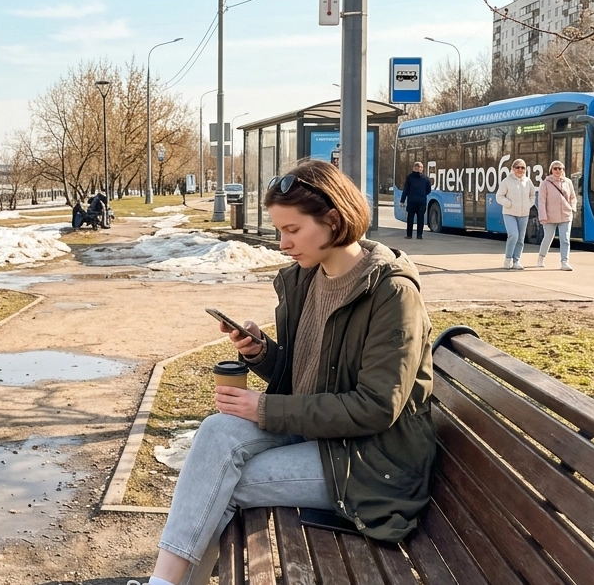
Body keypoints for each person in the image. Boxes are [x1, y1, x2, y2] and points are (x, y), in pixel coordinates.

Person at [131, 159, 435, 585]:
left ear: (333, 220)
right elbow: (307, 371)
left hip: (368, 460)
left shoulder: (391, 293)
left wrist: (265, 409)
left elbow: (376, 407)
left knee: (224, 484)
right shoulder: (304, 279)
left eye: (292, 230)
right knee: (216, 433)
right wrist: (262, 354)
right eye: (279, 231)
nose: (282, 243)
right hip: (318, 435)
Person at [495, 159, 535, 271]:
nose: (520, 169)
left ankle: (516, 260)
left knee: (521, 238)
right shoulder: (506, 181)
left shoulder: (528, 181)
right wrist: (508, 204)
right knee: (513, 235)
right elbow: (499, 196)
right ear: (513, 169)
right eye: (517, 167)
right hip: (509, 213)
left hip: (524, 214)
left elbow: (532, 195)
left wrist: (529, 205)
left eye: (522, 167)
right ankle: (508, 259)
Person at [537, 160, 576, 271]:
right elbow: (541, 201)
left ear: (563, 170)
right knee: (548, 237)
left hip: (566, 215)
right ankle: (541, 257)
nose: (558, 170)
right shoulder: (545, 183)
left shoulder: (568, 182)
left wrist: (572, 207)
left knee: (565, 239)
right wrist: (543, 215)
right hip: (550, 216)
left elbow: (573, 197)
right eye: (555, 168)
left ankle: (565, 261)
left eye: (560, 168)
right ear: (551, 170)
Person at [400, 161, 431, 239]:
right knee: (412, 218)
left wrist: (403, 200)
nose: (419, 169)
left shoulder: (425, 179)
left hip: (418, 201)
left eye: (420, 167)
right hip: (415, 202)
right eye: (417, 167)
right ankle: (413, 235)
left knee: (418, 219)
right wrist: (402, 200)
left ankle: (415, 235)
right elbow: (406, 189)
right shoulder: (411, 178)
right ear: (414, 168)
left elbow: (428, 190)